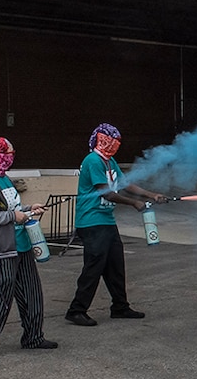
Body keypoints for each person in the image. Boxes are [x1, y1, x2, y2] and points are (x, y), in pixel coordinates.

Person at [66, 124, 167, 326]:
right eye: (112, 142)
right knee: (94, 266)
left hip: (106, 221)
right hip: (91, 221)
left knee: (115, 265)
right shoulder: (93, 161)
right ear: (102, 141)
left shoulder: (109, 161)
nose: (115, 146)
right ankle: (76, 310)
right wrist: (134, 203)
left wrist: (150, 194)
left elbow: (124, 184)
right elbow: (107, 192)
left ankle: (120, 307)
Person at [0, 137, 57, 357]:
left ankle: (34, 337)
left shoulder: (3, 178)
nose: (10, 159)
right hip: (1, 248)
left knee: (31, 292)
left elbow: (10, 207)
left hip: (21, 245)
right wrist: (13, 216)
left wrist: (28, 208)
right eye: (7, 155)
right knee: (0, 294)